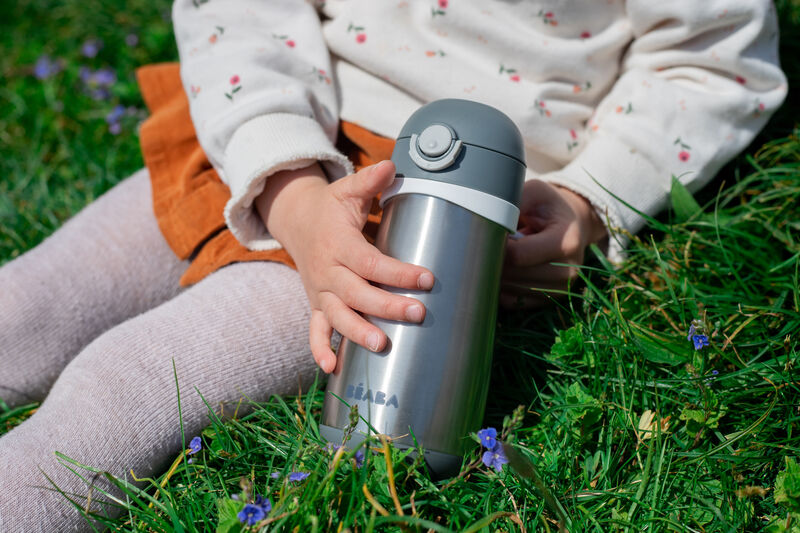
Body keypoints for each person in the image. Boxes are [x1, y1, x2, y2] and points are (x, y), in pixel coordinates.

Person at [0, 0, 787, 530]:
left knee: (129, 386)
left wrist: (592, 197)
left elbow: (714, 61)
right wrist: (287, 181)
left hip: (439, 218)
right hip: (267, 128)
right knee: (28, 306)